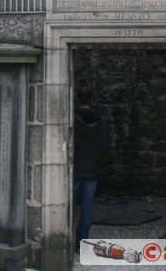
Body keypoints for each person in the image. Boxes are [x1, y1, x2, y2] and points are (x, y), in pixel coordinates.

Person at [73, 85, 109, 252]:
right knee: (87, 208)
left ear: (78, 99)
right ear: (91, 100)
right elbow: (105, 144)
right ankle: (81, 243)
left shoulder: (72, 119)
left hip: (75, 168)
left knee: (68, 207)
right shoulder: (99, 121)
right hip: (92, 168)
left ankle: (64, 241)